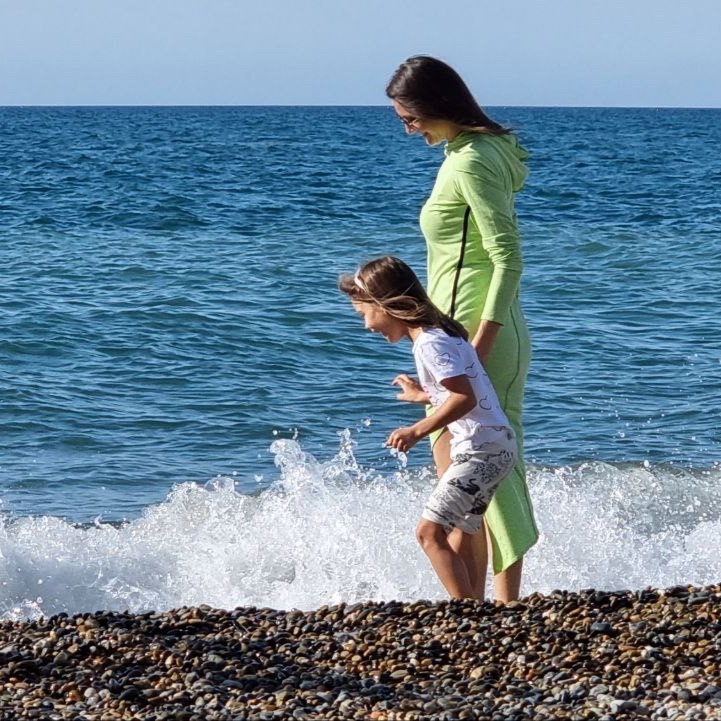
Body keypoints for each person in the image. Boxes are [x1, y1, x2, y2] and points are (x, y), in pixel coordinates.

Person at [386, 55, 538, 601]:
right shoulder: (472, 151)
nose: (408, 129)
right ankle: (477, 602)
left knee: (477, 465)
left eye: (409, 117)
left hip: (478, 327)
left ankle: (499, 602)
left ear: (436, 106)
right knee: (475, 467)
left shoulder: (471, 160)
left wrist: (481, 342)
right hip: (463, 329)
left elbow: (507, 257)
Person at [339, 255, 517, 600]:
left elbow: (464, 398)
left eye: (364, 314)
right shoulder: (441, 334)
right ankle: (473, 606)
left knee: (428, 534)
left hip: (480, 450)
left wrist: (417, 430)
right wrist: (422, 394)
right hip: (496, 445)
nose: (366, 326)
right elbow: (465, 392)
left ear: (386, 303)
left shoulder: (429, 343)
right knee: (461, 531)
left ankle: (464, 611)